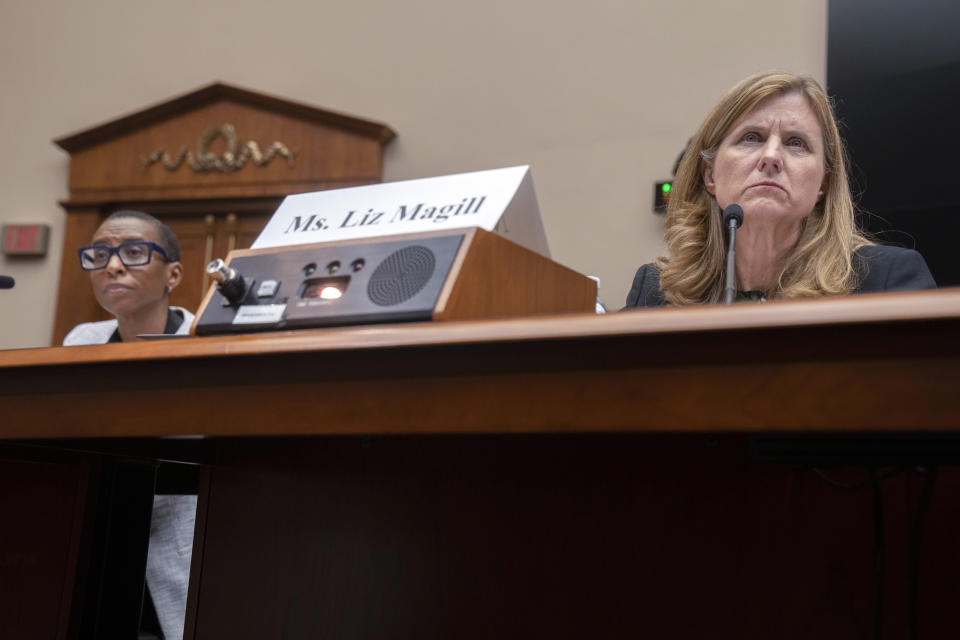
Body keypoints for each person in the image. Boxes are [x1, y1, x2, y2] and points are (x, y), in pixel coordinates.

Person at [625, 71, 936, 308]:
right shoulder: (655, 291)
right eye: (751, 138)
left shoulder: (885, 282)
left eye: (796, 143)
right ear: (710, 175)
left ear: (823, 185)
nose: (771, 157)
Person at [63, 210, 195, 640]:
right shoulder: (81, 340)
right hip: (102, 530)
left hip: (183, 536)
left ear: (172, 273)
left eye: (134, 253)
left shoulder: (207, 339)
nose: (112, 265)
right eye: (99, 254)